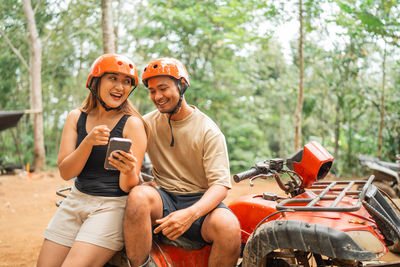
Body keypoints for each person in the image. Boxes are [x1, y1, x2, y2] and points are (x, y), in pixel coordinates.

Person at [123, 57, 241, 267]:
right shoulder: (146, 123)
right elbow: (133, 163)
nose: (157, 96)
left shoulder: (208, 131)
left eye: (163, 88)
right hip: (164, 198)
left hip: (201, 204)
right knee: (138, 196)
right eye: (152, 91)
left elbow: (220, 186)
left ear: (182, 85)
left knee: (229, 226)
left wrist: (190, 214)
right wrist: (141, 182)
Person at [37, 53, 148, 267]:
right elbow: (66, 172)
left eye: (126, 82)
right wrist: (88, 142)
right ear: (95, 82)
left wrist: (128, 170)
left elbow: (128, 186)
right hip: (76, 199)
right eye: (113, 78)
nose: (120, 87)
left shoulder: (132, 124)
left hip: (112, 205)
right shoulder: (76, 117)